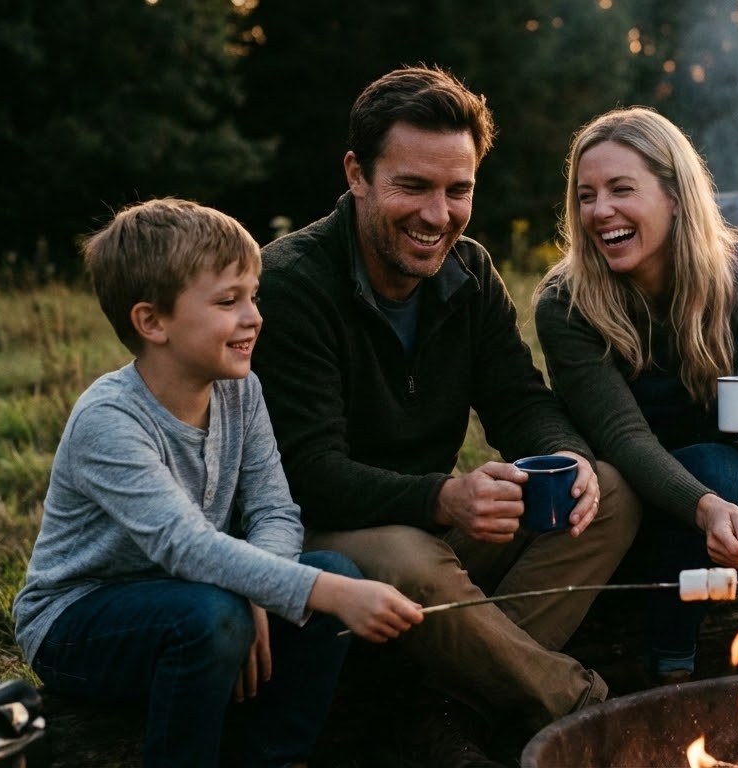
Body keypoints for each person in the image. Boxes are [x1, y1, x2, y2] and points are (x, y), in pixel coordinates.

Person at [250, 64, 641, 763]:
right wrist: (444, 497)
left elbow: (518, 400)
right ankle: (582, 711)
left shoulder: (471, 271)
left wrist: (568, 455)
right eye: (412, 186)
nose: (438, 215)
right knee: (412, 558)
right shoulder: (291, 283)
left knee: (607, 493)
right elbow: (306, 472)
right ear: (356, 173)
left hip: (431, 524)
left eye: (458, 190)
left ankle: (442, 705)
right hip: (329, 540)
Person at [12, 198, 424, 768]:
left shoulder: (239, 390)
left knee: (335, 572)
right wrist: (283, 594)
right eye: (229, 301)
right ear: (152, 322)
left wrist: (267, 591)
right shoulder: (109, 419)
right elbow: (183, 544)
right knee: (243, 610)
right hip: (82, 623)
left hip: (207, 598)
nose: (254, 316)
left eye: (253, 296)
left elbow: (276, 511)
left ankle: (275, 757)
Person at [533, 107, 738, 685]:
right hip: (634, 514)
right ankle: (671, 668)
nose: (600, 212)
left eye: (622, 190)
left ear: (675, 196)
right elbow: (624, 439)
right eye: (587, 195)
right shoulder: (568, 303)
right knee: (717, 465)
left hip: (737, 519)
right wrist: (706, 503)